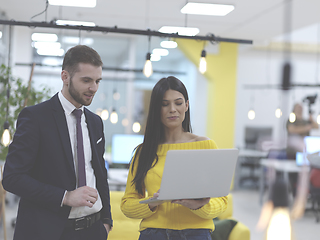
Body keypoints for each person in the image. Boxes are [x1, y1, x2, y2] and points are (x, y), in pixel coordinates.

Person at [2, 45, 112, 240]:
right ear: (65, 77)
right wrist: (65, 196)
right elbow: (12, 177)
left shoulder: (95, 122)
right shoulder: (35, 118)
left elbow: (99, 174)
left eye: (97, 81)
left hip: (93, 230)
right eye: (86, 80)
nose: (93, 88)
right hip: (48, 231)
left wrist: (106, 222)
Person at [120, 76, 228, 240]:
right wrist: (152, 202)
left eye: (178, 103)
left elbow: (221, 201)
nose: (172, 109)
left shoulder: (205, 146)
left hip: (196, 233)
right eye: (165, 104)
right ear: (157, 108)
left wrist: (199, 206)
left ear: (186, 105)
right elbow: (127, 205)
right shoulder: (144, 152)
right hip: (154, 234)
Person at [286, 103, 318, 197]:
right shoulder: (292, 120)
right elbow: (291, 130)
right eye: (298, 108)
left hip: (305, 153)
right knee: (293, 176)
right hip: (293, 152)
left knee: (306, 174)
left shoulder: (306, 121)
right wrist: (306, 128)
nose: (300, 109)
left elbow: (316, 127)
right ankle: (294, 194)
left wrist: (311, 120)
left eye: (301, 108)